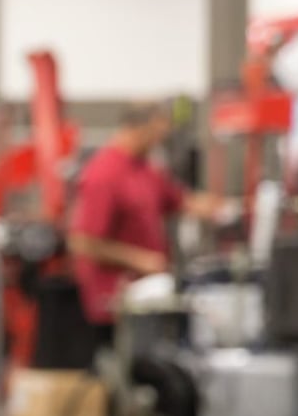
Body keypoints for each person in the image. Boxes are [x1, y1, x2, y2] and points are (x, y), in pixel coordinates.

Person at [68, 101, 224, 345]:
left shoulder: (145, 169)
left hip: (150, 294)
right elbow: (82, 242)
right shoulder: (104, 173)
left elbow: (180, 200)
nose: (158, 142)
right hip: (117, 302)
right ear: (138, 129)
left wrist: (231, 207)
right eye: (156, 135)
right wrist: (139, 260)